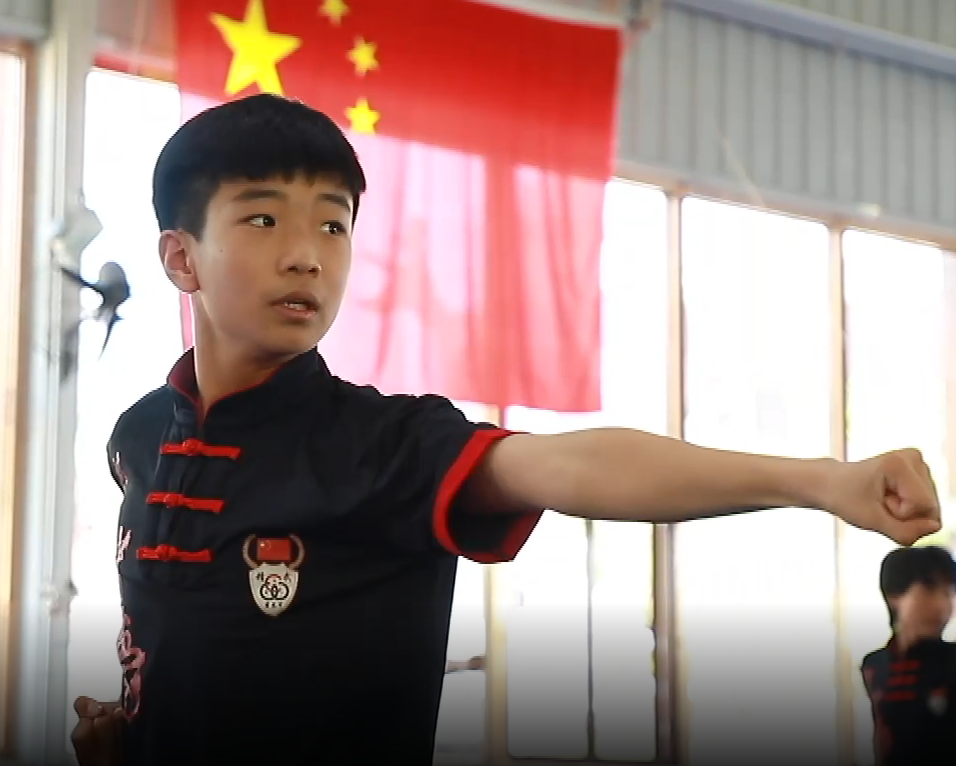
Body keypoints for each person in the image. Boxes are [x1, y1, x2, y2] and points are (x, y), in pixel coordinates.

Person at [71, 93, 940, 766]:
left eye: (333, 224)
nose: (307, 254)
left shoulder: (383, 445)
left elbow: (569, 466)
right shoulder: (137, 441)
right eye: (263, 219)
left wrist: (820, 482)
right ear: (181, 257)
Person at [862, 546, 956, 765]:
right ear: (894, 596)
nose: (942, 605)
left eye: (948, 592)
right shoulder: (873, 667)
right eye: (929, 590)